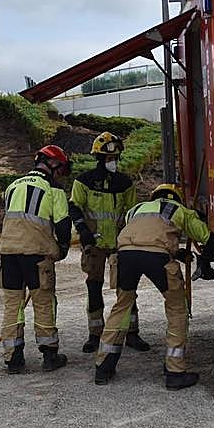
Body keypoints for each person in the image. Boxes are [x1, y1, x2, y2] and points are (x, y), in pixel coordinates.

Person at [94, 183, 214, 390]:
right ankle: (175, 372)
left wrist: (175, 252)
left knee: (122, 306)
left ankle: (103, 367)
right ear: (176, 197)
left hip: (125, 256)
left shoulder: (136, 210)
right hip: (157, 258)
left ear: (153, 196)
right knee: (176, 310)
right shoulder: (179, 210)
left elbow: (144, 238)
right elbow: (207, 238)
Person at [69, 132, 149, 354]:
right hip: (93, 244)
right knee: (93, 287)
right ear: (99, 159)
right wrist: (83, 230)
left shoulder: (125, 183)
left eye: (115, 158)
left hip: (119, 245)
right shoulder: (83, 181)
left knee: (126, 288)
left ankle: (131, 333)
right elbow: (74, 207)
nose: (113, 162)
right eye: (108, 159)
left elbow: (132, 213)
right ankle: (95, 334)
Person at [0, 145, 72, 374]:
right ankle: (50, 355)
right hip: (37, 255)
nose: (60, 174)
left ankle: (13, 359)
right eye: (60, 169)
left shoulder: (13, 186)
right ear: (53, 165)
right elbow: (62, 223)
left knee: (13, 306)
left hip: (8, 253)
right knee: (43, 302)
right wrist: (62, 248)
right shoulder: (53, 188)